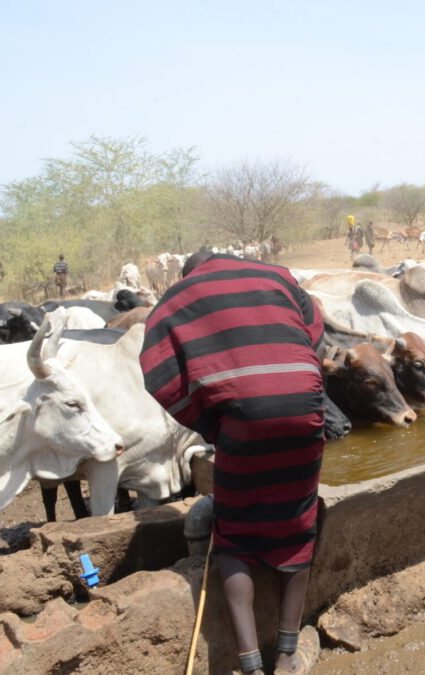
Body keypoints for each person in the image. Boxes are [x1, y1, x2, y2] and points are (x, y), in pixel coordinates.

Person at [140, 249, 324, 675]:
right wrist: (300, 381)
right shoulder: (277, 276)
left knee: (235, 533)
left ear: (191, 271)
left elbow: (159, 370)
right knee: (300, 523)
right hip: (303, 401)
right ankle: (288, 655)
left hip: (239, 413)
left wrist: (210, 423)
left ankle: (249, 665)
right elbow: (313, 331)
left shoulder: (179, 295)